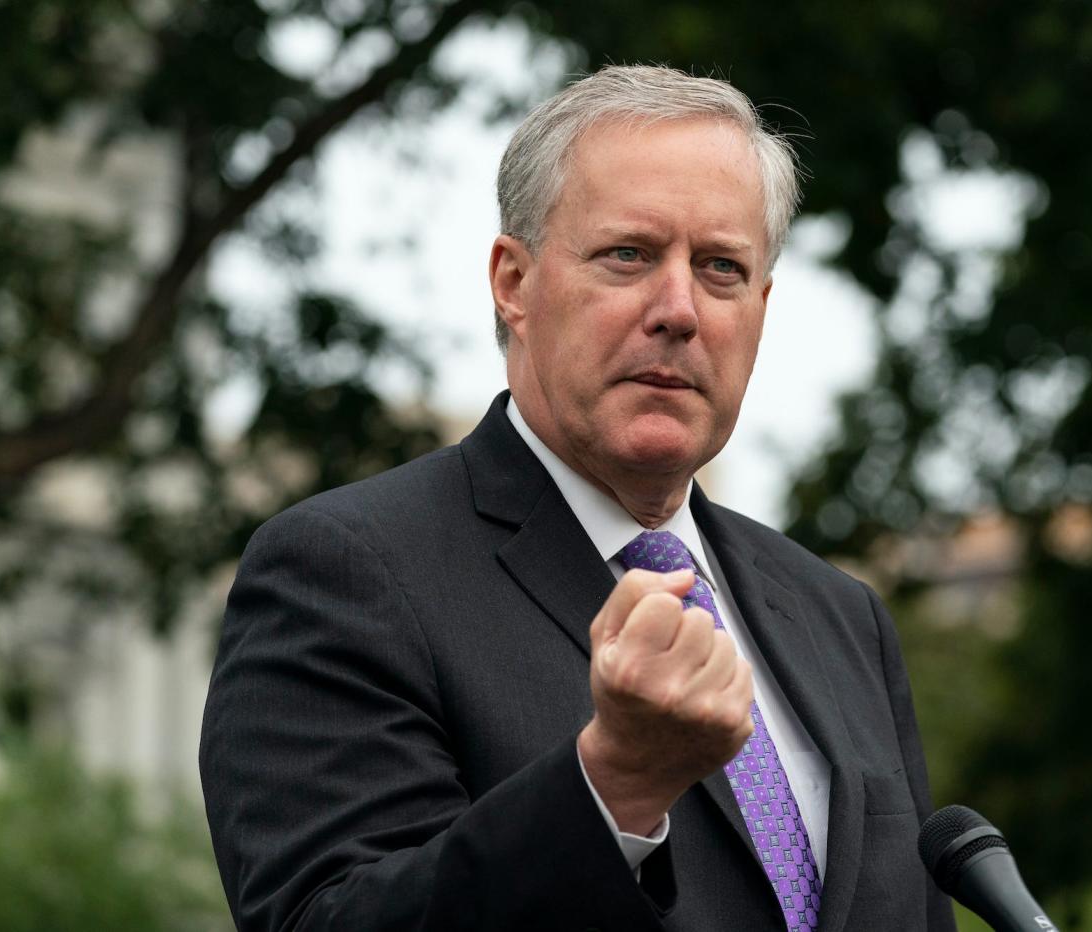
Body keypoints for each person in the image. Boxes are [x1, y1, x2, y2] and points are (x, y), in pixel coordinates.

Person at [200, 64, 956, 932]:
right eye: (628, 255)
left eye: (720, 268)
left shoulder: (841, 617)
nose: (678, 309)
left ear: (761, 306)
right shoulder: (344, 571)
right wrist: (614, 785)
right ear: (513, 284)